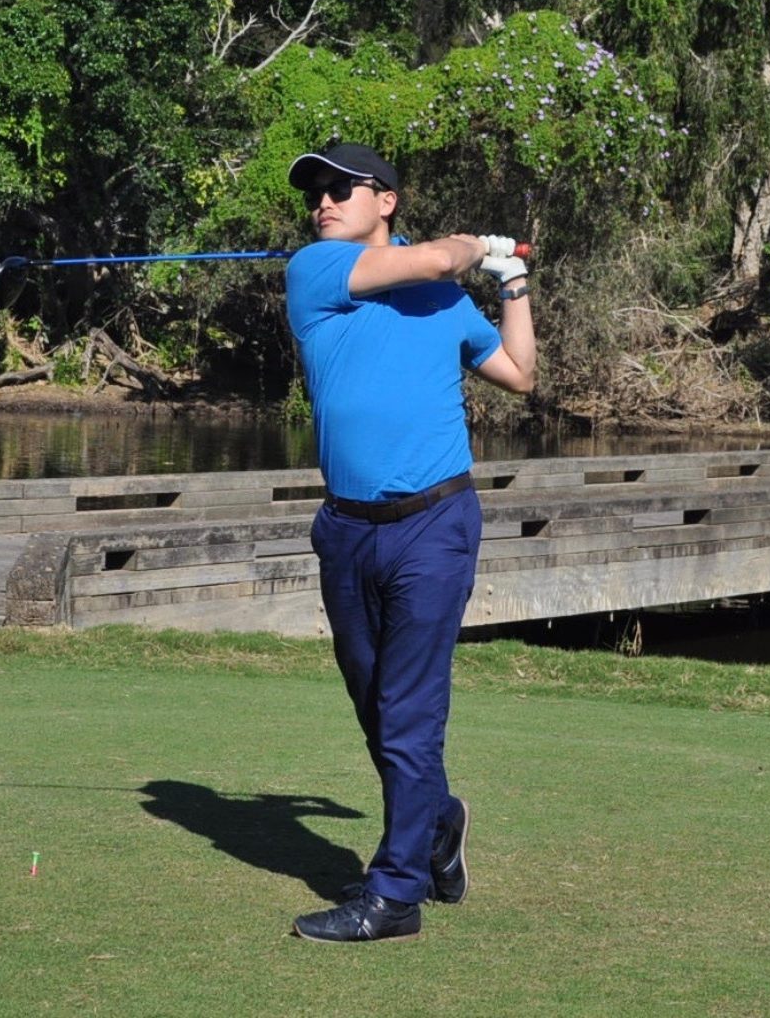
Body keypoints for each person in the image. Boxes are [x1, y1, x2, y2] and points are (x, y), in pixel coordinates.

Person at [283, 143, 536, 943]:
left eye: (340, 188)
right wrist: (474, 245)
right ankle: (437, 821)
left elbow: (518, 373)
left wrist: (512, 282)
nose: (323, 202)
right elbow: (431, 257)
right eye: (315, 193)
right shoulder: (316, 270)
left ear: (385, 200)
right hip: (346, 530)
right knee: (375, 709)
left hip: (434, 522)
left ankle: (395, 895)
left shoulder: (443, 301)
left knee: (407, 713)